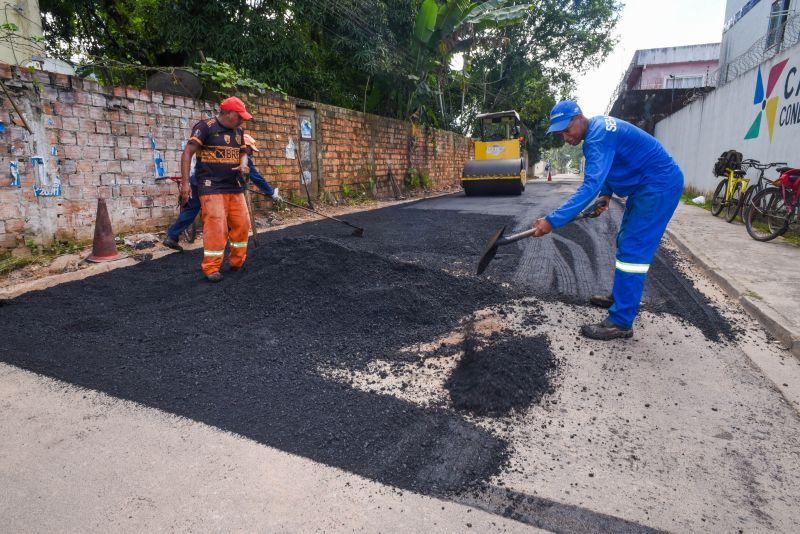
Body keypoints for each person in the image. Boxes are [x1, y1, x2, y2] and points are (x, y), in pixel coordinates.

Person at [531, 100, 684, 340]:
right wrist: (606, 194)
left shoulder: (597, 137)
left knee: (633, 251)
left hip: (658, 185)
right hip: (646, 185)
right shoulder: (599, 130)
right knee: (625, 239)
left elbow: (588, 187)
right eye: (560, 133)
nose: (564, 137)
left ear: (579, 117)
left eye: (566, 130)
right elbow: (612, 166)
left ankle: (621, 322)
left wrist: (552, 221)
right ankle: (622, 297)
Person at [177, 96, 258, 282]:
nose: (242, 120)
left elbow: (244, 152)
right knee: (216, 225)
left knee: (242, 224)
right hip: (211, 186)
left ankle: (237, 261)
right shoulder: (205, 127)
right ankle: (211, 267)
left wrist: (244, 165)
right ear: (228, 113)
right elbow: (188, 152)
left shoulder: (238, 131)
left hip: (234, 186)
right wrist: (185, 184)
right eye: (239, 116)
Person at [163, 134, 281, 252]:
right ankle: (223, 242)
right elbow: (257, 178)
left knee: (191, 210)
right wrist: (271, 193)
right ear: (244, 146)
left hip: (197, 181)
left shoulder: (223, 149)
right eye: (250, 149)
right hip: (212, 187)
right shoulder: (240, 156)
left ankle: (172, 236)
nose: (251, 153)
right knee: (225, 212)